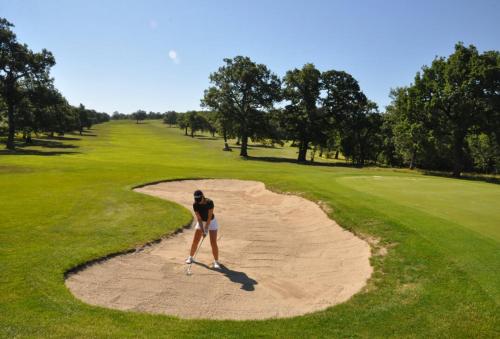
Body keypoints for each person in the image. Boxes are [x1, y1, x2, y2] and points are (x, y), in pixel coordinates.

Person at [185, 189, 220, 269]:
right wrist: (202, 230)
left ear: (202, 196)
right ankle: (190, 257)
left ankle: (216, 261)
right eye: (197, 200)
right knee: (195, 241)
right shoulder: (195, 204)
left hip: (211, 221)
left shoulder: (209, 202)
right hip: (202, 222)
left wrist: (206, 229)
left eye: (199, 200)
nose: (198, 202)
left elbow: (209, 217)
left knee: (213, 242)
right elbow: (199, 219)